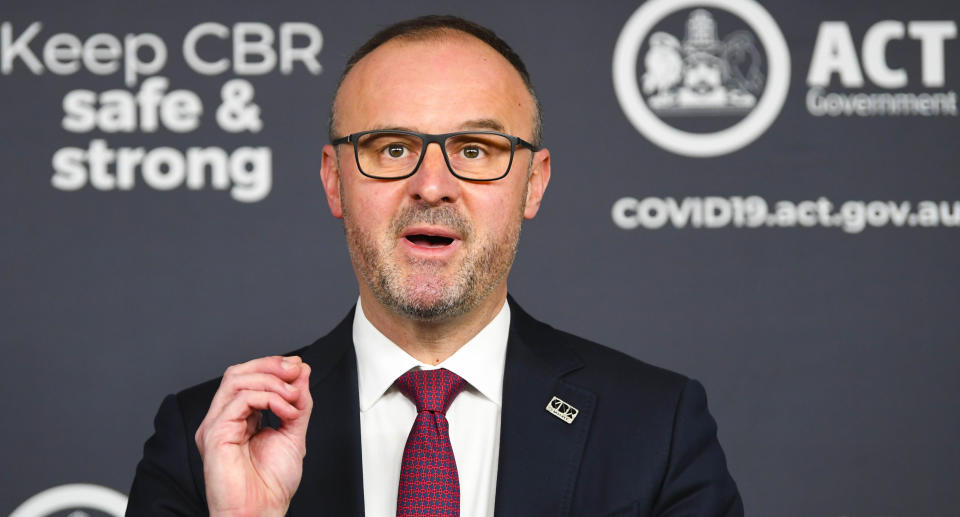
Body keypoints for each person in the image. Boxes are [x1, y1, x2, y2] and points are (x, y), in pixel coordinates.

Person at [127, 15, 742, 517]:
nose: (431, 185)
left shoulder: (656, 427)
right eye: (392, 148)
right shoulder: (207, 439)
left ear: (534, 184)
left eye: (476, 150)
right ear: (333, 180)